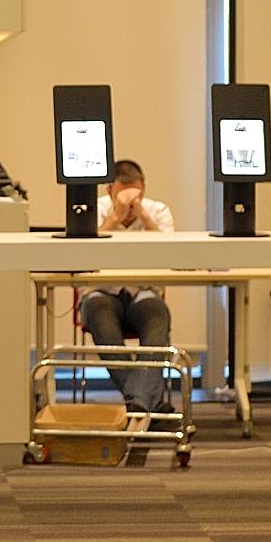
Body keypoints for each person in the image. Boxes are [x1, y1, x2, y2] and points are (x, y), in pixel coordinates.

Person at [79, 159, 175, 414]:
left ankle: (138, 402)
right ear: (109, 190)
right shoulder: (92, 210)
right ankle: (146, 404)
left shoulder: (159, 211)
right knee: (100, 314)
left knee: (157, 315)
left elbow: (172, 255)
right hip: (101, 292)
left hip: (144, 292)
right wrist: (114, 218)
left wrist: (143, 216)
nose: (131, 206)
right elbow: (81, 258)